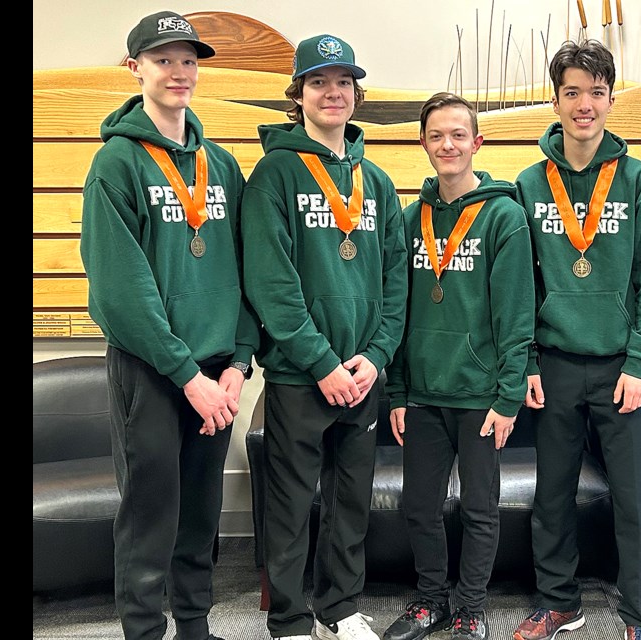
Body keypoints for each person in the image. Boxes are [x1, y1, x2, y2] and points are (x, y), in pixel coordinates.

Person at [79, 10, 258, 640]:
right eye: (163, 60)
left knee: (201, 509)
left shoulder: (223, 166)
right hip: (154, 369)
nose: (178, 72)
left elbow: (246, 274)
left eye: (188, 60)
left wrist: (237, 363)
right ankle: (144, 629)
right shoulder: (116, 164)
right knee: (151, 509)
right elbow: (121, 291)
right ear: (135, 69)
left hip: (217, 372)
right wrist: (187, 375)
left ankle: (194, 623)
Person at [240, 34, 408, 640]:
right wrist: (320, 362)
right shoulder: (275, 174)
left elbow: (396, 280)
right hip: (299, 375)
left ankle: (341, 607)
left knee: (350, 502)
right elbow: (271, 282)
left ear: (356, 94)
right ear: (299, 95)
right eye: (319, 82)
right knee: (288, 506)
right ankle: (288, 619)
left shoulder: (379, 182)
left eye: (343, 82)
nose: (332, 92)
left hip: (363, 374)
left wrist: (375, 357)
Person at [512, 39, 641, 640]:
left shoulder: (639, 182)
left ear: (610, 100)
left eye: (596, 93)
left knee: (633, 498)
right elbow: (522, 285)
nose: (584, 105)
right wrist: (527, 358)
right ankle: (559, 602)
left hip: (622, 368)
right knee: (552, 496)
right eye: (572, 92)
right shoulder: (528, 184)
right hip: (553, 362)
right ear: (555, 99)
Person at [382, 92, 535, 640]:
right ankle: (430, 601)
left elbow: (517, 317)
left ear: (477, 142)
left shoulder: (505, 217)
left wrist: (507, 398)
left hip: (480, 396)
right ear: (422, 143)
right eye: (436, 136)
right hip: (422, 393)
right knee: (420, 508)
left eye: (457, 135)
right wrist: (397, 392)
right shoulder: (407, 220)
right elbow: (394, 312)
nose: (447, 145)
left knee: (479, 509)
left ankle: (471, 605)